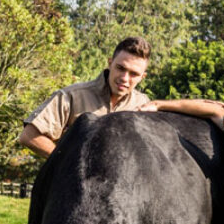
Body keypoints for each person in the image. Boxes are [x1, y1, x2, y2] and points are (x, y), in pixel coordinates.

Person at [18, 36, 153, 157]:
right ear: (110, 63)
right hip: (72, 183)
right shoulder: (71, 96)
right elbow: (29, 135)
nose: (124, 78)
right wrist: (69, 164)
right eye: (120, 68)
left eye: (134, 74)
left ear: (142, 77)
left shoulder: (144, 106)